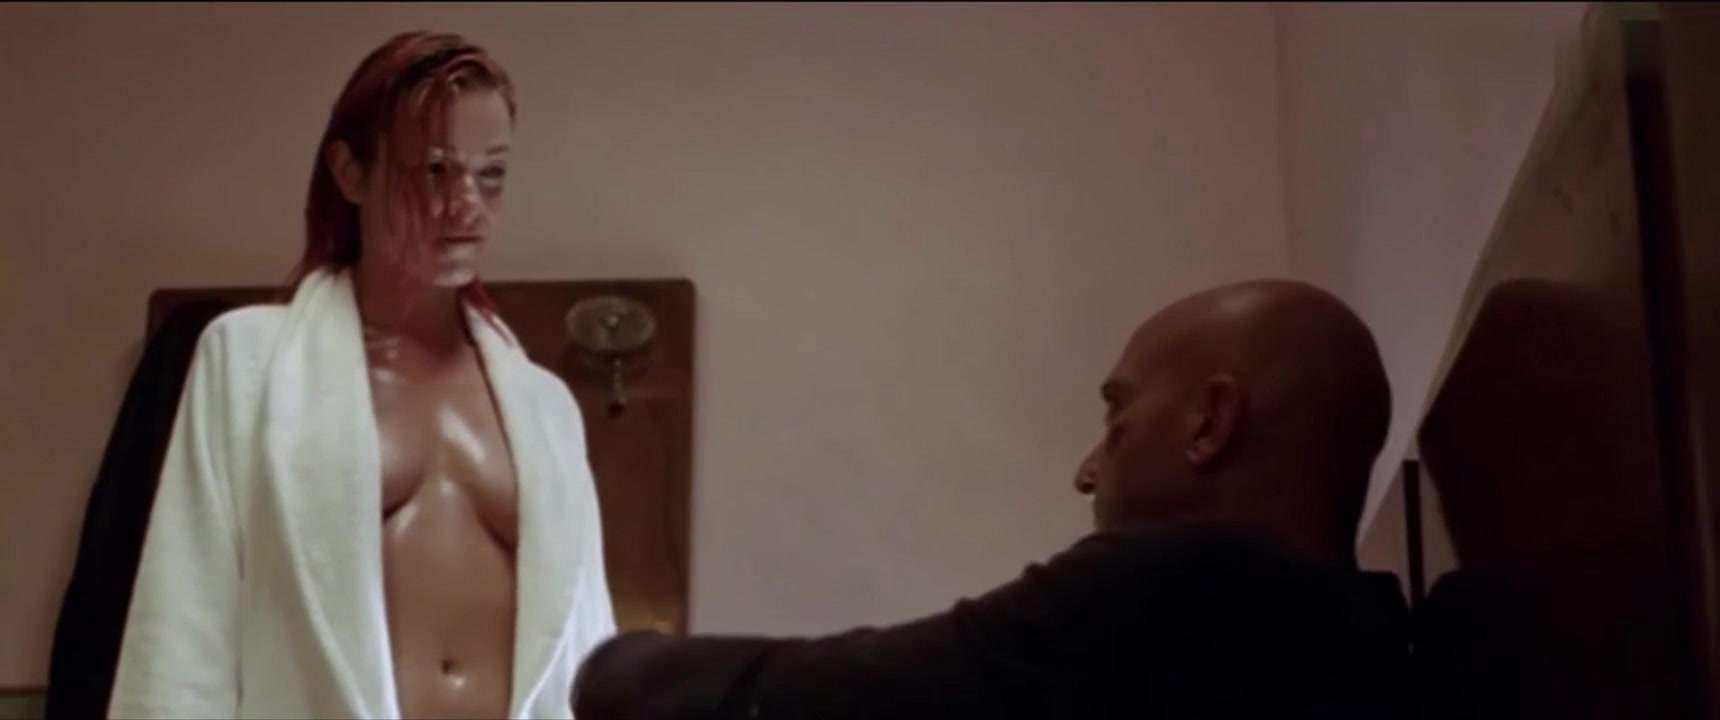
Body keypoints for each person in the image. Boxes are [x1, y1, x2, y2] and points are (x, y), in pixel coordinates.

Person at [572, 279, 1410, 719]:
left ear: (1209, 423)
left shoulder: (1186, 586)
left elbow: (829, 696)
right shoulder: (1366, 642)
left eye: (1116, 413)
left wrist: (607, 666)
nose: (1087, 471)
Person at [108, 31, 616, 719]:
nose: (467, 203)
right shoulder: (247, 364)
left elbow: (591, 651)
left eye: (491, 173)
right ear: (350, 174)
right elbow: (181, 633)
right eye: (433, 171)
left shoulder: (544, 407)